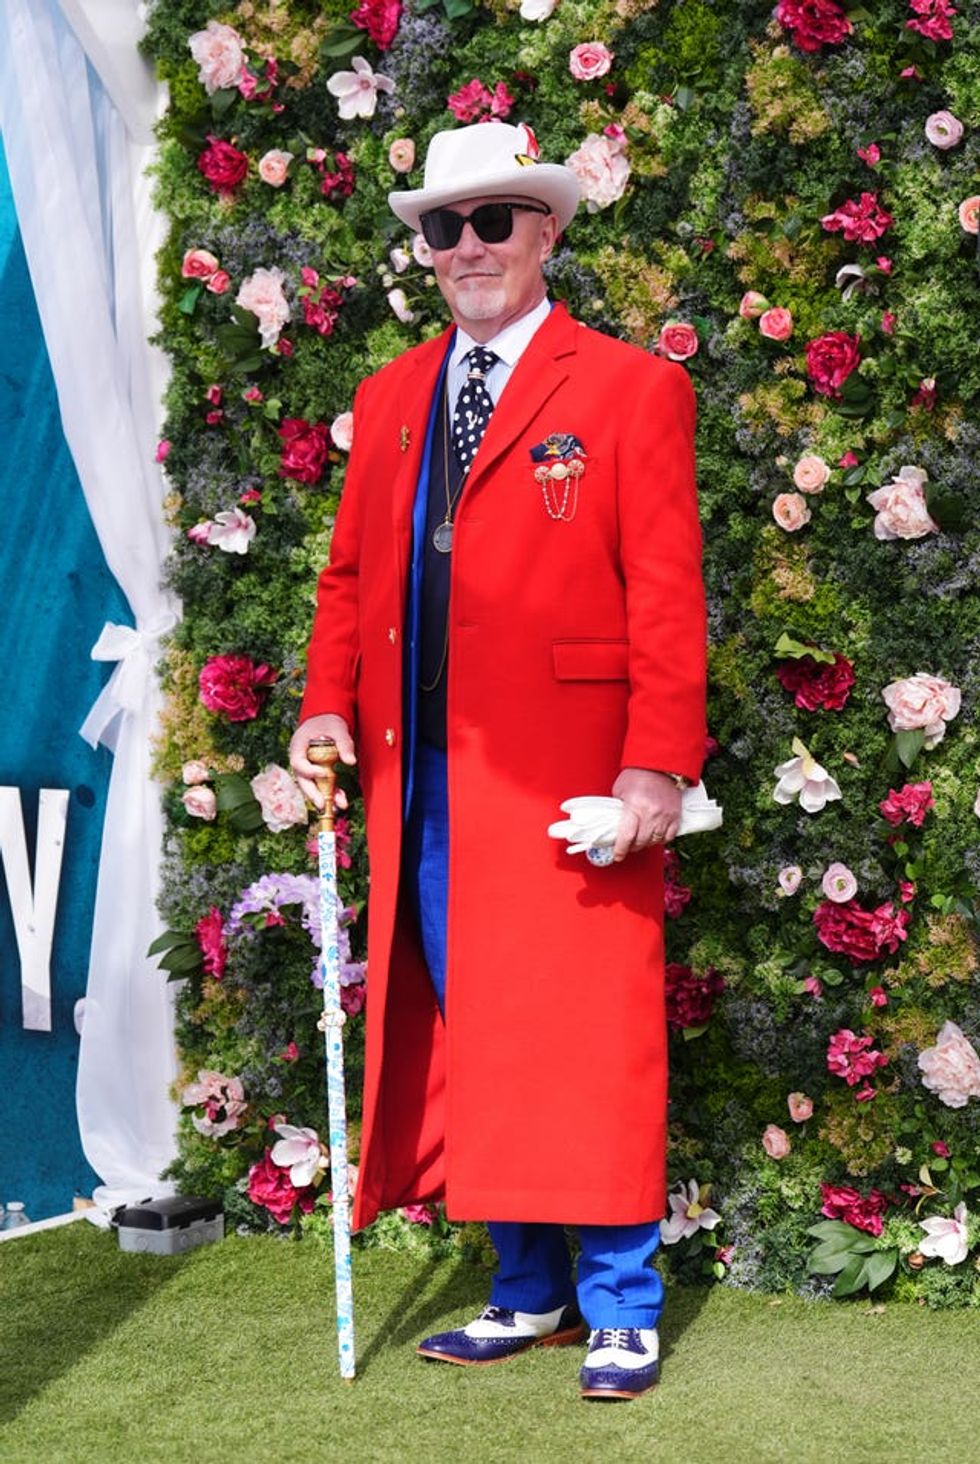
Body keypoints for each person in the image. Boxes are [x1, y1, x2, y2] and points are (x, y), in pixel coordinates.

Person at [289, 120, 707, 1401]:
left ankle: (622, 1305)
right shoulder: (389, 395)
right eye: (442, 226)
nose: (466, 246)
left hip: (570, 775)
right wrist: (322, 705)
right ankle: (526, 1291)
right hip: (423, 780)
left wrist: (655, 765)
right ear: (424, 248)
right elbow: (351, 577)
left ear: (545, 231)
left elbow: (665, 594)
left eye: (491, 221)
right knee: (482, 1033)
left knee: (589, 1033)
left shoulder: (630, 388)